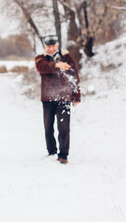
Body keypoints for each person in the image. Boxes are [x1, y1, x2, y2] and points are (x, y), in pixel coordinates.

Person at [35, 35, 81, 164]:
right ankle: (51, 152)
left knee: (64, 128)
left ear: (57, 45)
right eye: (48, 46)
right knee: (48, 128)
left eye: (52, 46)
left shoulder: (67, 57)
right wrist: (57, 65)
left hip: (64, 97)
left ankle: (63, 155)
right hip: (47, 98)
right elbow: (41, 67)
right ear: (45, 47)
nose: (50, 48)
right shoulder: (41, 58)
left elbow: (74, 75)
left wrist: (76, 96)